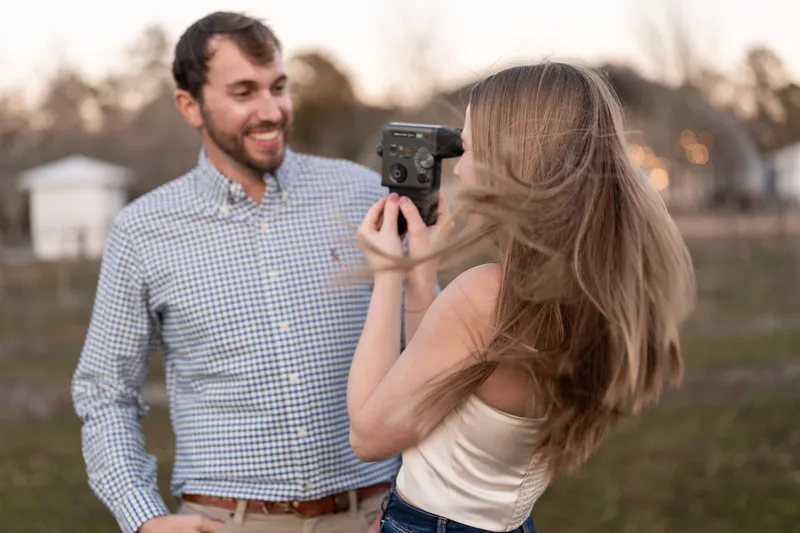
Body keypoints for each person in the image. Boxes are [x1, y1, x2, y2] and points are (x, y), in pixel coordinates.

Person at [72, 11, 399, 533]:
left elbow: (428, 351)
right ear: (190, 105)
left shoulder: (362, 194)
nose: (271, 111)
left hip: (378, 516)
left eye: (279, 87)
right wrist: (144, 517)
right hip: (228, 522)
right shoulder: (142, 230)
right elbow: (105, 391)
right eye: (244, 92)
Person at [347, 61, 696, 533]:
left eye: (467, 148)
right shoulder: (590, 296)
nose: (460, 170)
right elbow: (446, 382)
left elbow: (369, 434)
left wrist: (388, 274)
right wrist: (422, 279)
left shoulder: (484, 296)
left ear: (507, 163)